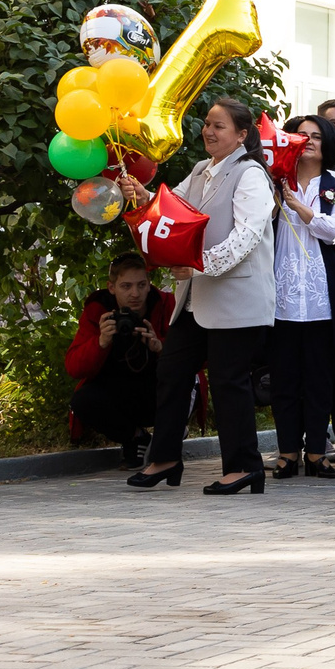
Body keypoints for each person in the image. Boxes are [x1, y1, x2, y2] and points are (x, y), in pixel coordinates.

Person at [124, 98, 277, 494]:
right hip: (196, 297)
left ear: (242, 135)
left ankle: (244, 467)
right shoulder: (200, 170)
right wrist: (142, 196)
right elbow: (171, 211)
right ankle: (166, 457)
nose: (208, 131)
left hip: (237, 296)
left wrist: (199, 265)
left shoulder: (252, 176)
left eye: (219, 126)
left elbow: (246, 238)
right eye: (207, 124)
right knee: (172, 372)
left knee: (229, 382)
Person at [269, 112, 335, 479]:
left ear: (328, 145)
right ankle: (287, 450)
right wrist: (282, 199)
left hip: (323, 295)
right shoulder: (275, 181)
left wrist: (300, 208)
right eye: (299, 135)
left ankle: (317, 453)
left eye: (316, 136)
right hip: (280, 295)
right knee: (284, 376)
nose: (307, 140)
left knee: (320, 376)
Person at [66, 251, 172, 463]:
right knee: (83, 400)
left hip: (155, 389)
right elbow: (73, 367)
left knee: (187, 383)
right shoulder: (98, 310)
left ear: (149, 284)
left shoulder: (165, 303)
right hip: (116, 392)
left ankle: (170, 433)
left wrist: (160, 347)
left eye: (142, 285)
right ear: (111, 287)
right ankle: (135, 437)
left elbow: (195, 359)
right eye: (126, 286)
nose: (135, 293)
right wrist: (101, 341)